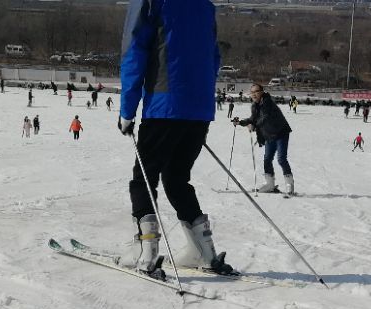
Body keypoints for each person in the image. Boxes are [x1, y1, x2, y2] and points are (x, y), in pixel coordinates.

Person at [118, 0, 234, 274]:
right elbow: (213, 55)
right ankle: (203, 251)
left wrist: (127, 110)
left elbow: (134, 52)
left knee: (143, 178)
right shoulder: (205, 5)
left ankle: (146, 251)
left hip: (164, 105)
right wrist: (196, 99)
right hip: (199, 108)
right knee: (176, 179)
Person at [234, 83, 294, 195]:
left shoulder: (267, 102)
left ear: (262, 92)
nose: (254, 94)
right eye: (252, 92)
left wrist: (254, 126)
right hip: (269, 135)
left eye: (256, 91)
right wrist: (241, 122)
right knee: (267, 159)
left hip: (281, 133)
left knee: (281, 158)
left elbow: (265, 117)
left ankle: (289, 184)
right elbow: (253, 119)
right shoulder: (255, 106)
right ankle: (270, 184)